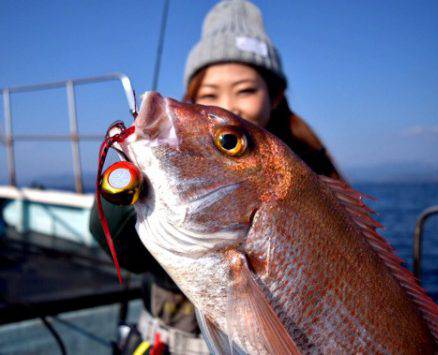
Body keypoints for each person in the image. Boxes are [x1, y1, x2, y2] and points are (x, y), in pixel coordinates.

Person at [90, 0, 342, 353]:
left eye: (246, 90)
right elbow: (120, 250)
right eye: (210, 94)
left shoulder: (311, 173)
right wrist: (129, 194)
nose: (228, 104)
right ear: (192, 99)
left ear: (276, 95)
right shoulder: (177, 165)